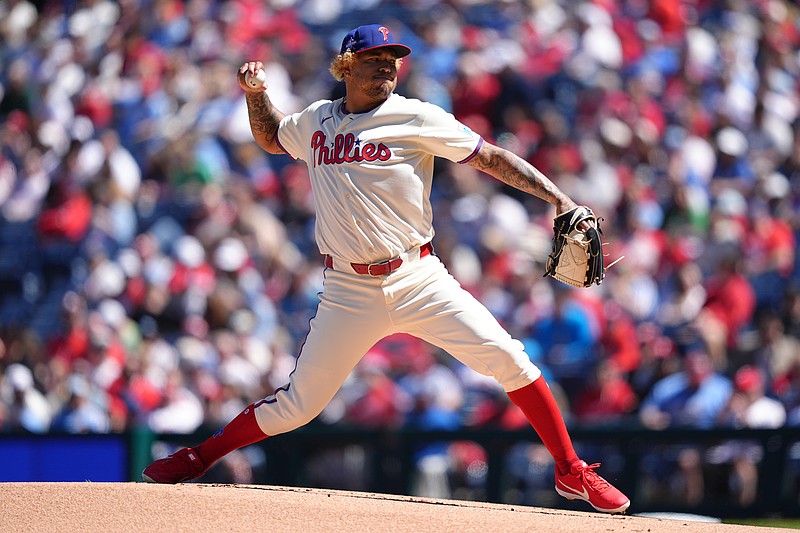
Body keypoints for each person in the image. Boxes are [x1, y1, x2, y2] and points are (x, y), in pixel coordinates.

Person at [141, 23, 630, 514]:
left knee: (510, 359)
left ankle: (570, 469)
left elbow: (491, 158)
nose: (388, 66)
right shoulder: (316, 121)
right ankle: (198, 457)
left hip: (418, 276)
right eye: (376, 58)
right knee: (297, 406)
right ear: (346, 66)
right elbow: (271, 136)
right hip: (347, 289)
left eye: (393, 59)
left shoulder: (416, 117)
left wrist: (559, 197)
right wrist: (256, 94)